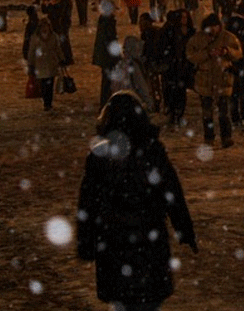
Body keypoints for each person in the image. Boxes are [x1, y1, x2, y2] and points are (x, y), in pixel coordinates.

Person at [77, 92, 197, 311]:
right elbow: (171, 192)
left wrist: (86, 242)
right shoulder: (152, 151)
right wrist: (183, 228)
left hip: (114, 242)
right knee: (148, 303)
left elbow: (88, 203)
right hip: (148, 240)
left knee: (122, 303)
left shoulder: (100, 156)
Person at [186, 13, 242, 148]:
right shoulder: (197, 39)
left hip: (223, 78)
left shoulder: (228, 37)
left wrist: (226, 51)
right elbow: (191, 56)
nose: (213, 29)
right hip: (205, 79)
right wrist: (207, 54)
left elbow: (238, 53)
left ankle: (226, 137)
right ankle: (209, 138)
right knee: (207, 113)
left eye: (215, 26)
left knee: (224, 111)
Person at [27, 18, 63, 111]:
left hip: (51, 64)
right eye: (43, 26)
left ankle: (48, 103)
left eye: (46, 26)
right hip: (40, 64)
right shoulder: (35, 38)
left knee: (50, 85)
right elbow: (31, 51)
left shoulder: (54, 36)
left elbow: (58, 49)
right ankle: (45, 102)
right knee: (43, 85)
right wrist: (30, 63)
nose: (45, 28)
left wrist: (61, 59)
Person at [92, 0, 121, 107]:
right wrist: (116, 56)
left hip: (104, 56)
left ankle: (105, 102)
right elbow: (110, 40)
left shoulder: (104, 20)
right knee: (108, 81)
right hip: (108, 57)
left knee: (107, 80)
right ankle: (106, 102)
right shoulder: (108, 21)